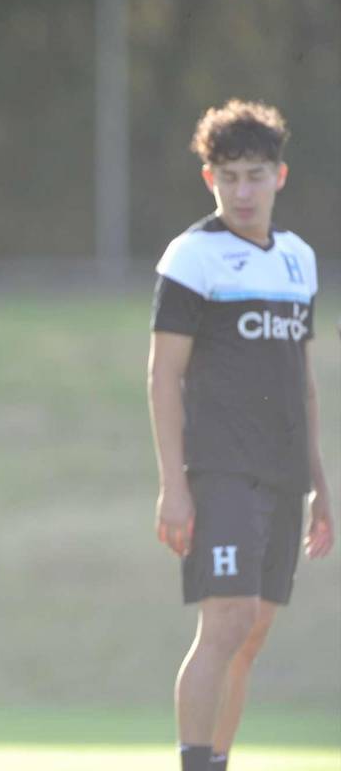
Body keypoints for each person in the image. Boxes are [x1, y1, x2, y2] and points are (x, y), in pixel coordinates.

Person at [148, 99, 333, 771]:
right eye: (230, 176)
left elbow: (302, 380)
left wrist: (318, 482)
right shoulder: (193, 256)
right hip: (220, 468)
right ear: (210, 180)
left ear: (280, 176)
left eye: (256, 174)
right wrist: (174, 484)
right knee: (226, 619)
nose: (244, 190)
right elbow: (162, 375)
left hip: (284, 475)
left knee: (251, 632)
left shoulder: (299, 261)